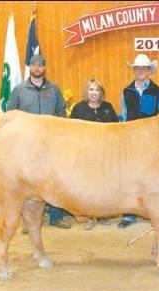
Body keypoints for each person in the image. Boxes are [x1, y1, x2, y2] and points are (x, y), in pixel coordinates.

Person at [7, 54, 72, 229]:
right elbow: (11, 114)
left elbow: (62, 113)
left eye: (40, 65)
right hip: (27, 146)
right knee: (27, 182)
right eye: (34, 65)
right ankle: (29, 221)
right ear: (29, 67)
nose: (37, 68)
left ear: (44, 68)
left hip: (52, 145)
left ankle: (56, 217)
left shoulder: (54, 90)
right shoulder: (19, 90)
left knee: (55, 180)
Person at [117, 54, 159, 229]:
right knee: (129, 177)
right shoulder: (126, 91)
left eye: (143, 68)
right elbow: (123, 117)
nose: (140, 71)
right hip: (130, 142)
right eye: (137, 68)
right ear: (134, 71)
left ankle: (151, 211)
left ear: (149, 71)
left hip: (151, 142)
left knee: (150, 178)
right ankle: (128, 214)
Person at [70, 78, 118, 229]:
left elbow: (116, 129)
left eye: (97, 89)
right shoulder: (78, 108)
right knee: (88, 187)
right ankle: (89, 216)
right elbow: (72, 132)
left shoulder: (108, 107)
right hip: (86, 155)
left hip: (106, 155)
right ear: (86, 92)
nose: (94, 93)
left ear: (101, 92)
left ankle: (103, 214)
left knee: (105, 186)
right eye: (91, 89)